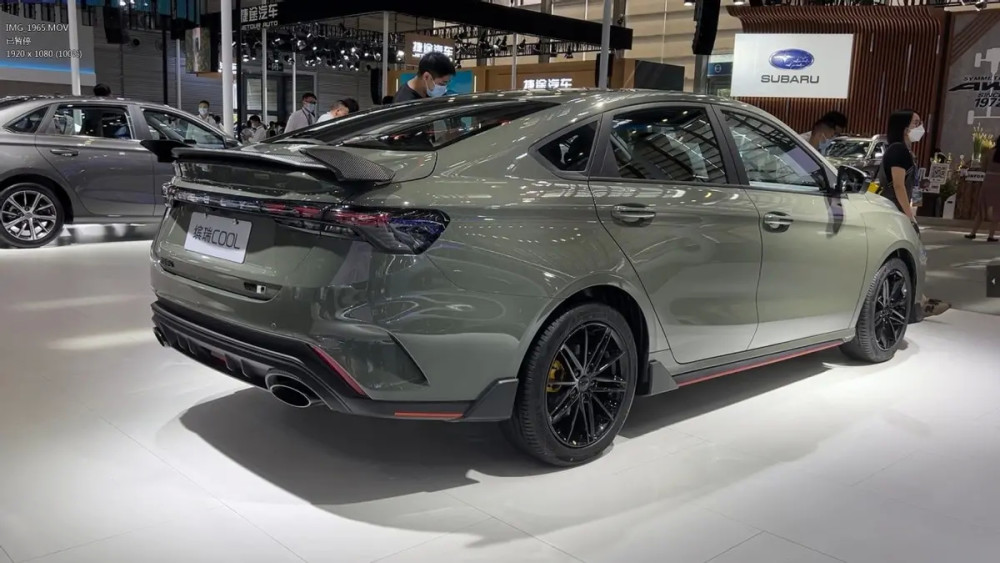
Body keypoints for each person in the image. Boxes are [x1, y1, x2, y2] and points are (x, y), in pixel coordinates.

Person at [877, 108, 950, 318]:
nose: (921, 127)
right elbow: (899, 185)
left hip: (898, 210)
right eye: (916, 123)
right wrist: (909, 215)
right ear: (904, 127)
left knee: (912, 255)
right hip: (894, 211)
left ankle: (920, 300)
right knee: (911, 254)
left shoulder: (904, 151)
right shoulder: (898, 150)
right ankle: (919, 303)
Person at [965, 134, 1000, 242]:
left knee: (982, 207)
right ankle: (991, 235)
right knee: (997, 209)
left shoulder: (989, 153)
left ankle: (973, 233)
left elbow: (983, 167)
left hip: (988, 180)